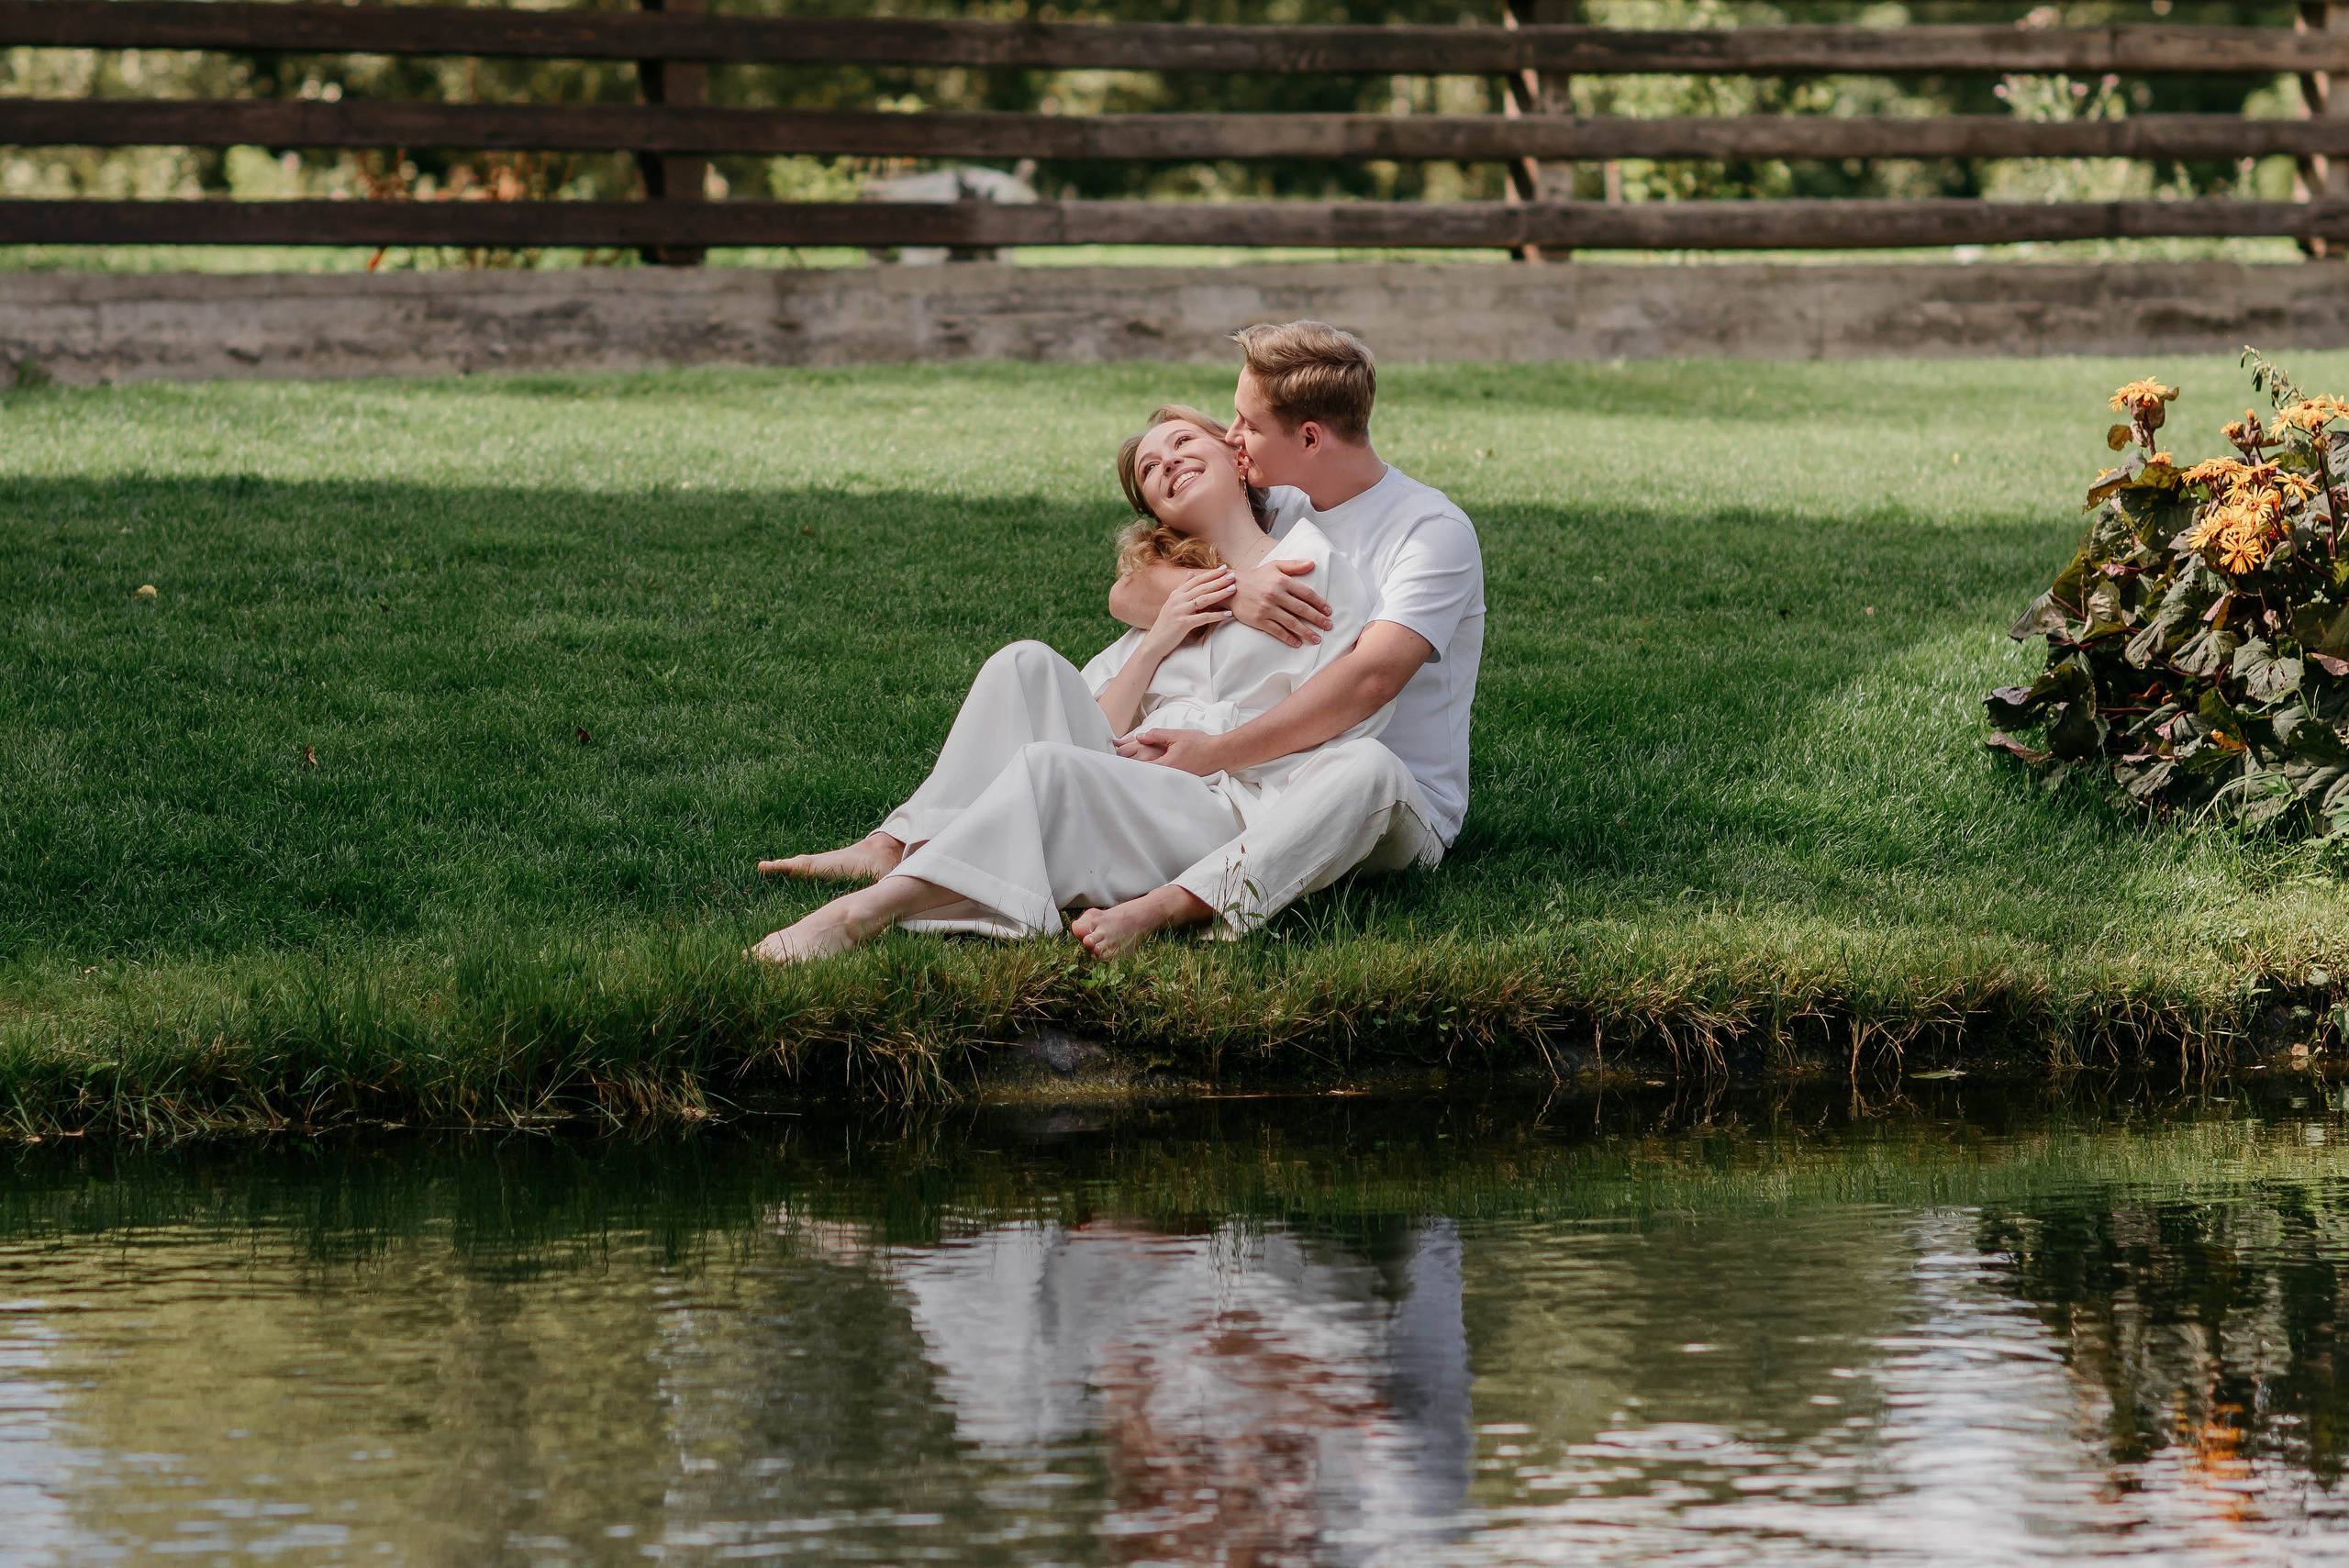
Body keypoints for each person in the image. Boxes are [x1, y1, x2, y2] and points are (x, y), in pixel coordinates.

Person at [757, 318, 1484, 961]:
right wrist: (1233, 590)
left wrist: (1214, 752)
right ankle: (897, 844)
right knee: (1024, 667)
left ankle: (1165, 902)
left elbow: (1369, 682)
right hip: (1211, 769)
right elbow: (1129, 592)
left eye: (1245, 424)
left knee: (1367, 766)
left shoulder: (1426, 532)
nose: (1232, 436)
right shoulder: (1284, 499)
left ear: (1310, 438)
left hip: (1373, 796)